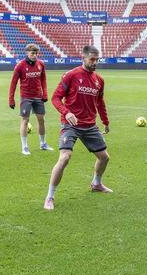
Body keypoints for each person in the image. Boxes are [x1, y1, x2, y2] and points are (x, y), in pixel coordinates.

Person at [44, 45, 111, 210]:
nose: (95, 63)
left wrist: (105, 121)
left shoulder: (99, 80)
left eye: (97, 60)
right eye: (92, 59)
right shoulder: (71, 75)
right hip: (71, 124)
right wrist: (66, 113)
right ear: (84, 57)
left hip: (89, 125)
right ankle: (49, 197)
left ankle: (96, 184)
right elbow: (55, 98)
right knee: (65, 157)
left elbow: (100, 102)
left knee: (104, 157)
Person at [9, 43, 52, 155]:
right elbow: (13, 83)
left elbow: (43, 80)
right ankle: (25, 147)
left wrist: (45, 93)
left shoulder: (41, 64)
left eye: (36, 53)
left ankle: (43, 144)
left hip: (38, 96)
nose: (35, 55)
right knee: (25, 121)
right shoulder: (20, 65)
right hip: (26, 97)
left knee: (41, 120)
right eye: (32, 53)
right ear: (27, 53)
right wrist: (11, 99)